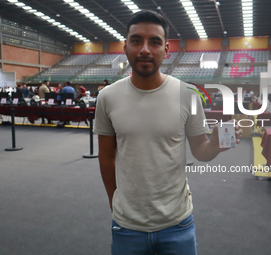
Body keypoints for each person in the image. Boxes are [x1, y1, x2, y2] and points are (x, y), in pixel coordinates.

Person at [94, 10, 242, 255]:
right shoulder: (107, 97)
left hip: (178, 224)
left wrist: (215, 145)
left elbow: (201, 151)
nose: (145, 49)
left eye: (154, 42)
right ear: (125, 46)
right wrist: (115, 204)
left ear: (166, 49)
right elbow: (106, 157)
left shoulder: (188, 95)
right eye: (136, 40)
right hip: (127, 226)